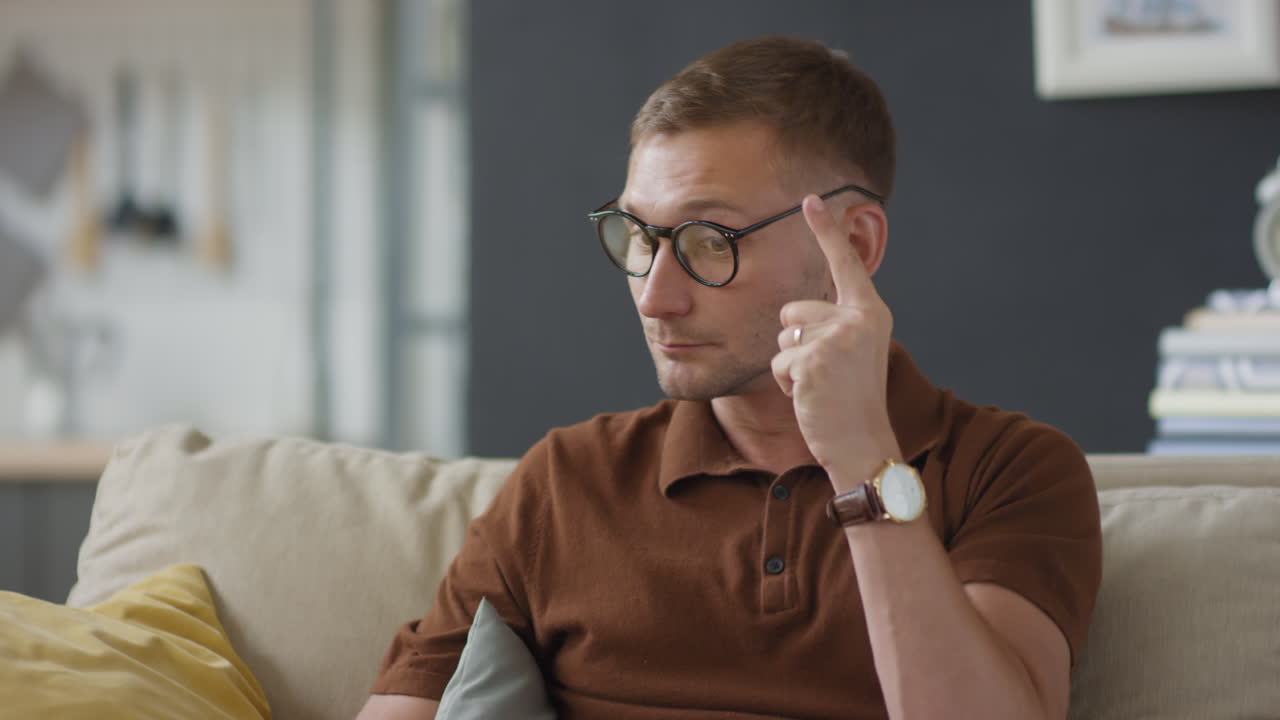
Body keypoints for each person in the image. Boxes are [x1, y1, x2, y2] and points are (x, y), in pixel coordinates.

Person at [357, 35, 1101, 720]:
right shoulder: (565, 481)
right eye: (639, 235)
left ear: (855, 241)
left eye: (710, 241)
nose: (655, 294)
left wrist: (863, 462)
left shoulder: (1009, 470)